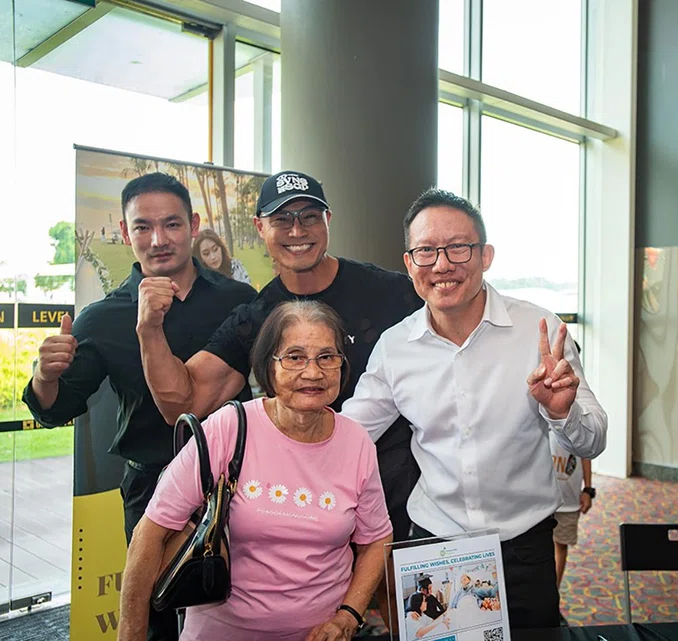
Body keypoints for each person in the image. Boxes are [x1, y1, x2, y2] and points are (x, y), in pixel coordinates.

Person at [135, 170, 423, 620]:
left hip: (392, 501)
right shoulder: (255, 317)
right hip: (297, 517)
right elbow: (183, 405)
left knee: (403, 621)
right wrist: (149, 330)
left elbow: (455, 319)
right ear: (260, 228)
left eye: (309, 216)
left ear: (328, 220)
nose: (296, 230)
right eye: (281, 218)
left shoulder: (392, 292)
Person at [341, 188, 608, 629]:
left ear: (485, 256)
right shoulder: (396, 347)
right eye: (426, 251)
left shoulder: (539, 331)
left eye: (458, 248)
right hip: (433, 545)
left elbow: (594, 439)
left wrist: (561, 413)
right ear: (409, 264)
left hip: (523, 546)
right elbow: (349, 435)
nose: (442, 264)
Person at [22, 172, 257, 641]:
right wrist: (44, 377)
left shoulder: (239, 300)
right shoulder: (103, 317)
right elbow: (55, 409)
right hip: (152, 485)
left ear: (192, 225)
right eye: (143, 227)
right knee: (155, 612)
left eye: (171, 224)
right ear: (126, 234)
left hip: (241, 480)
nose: (158, 240)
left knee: (246, 603)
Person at [118, 300, 393, 641]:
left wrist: (348, 616)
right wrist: (129, 635)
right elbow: (151, 531)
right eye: (294, 357)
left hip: (318, 635)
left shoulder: (356, 441)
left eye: (327, 357)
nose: (313, 372)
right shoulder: (229, 428)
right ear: (268, 366)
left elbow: (376, 537)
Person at [550, 430, 594, 599]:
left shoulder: (577, 420)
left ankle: (553, 594)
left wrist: (588, 490)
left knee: (560, 545)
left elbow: (586, 455)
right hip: (541, 499)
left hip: (568, 501)